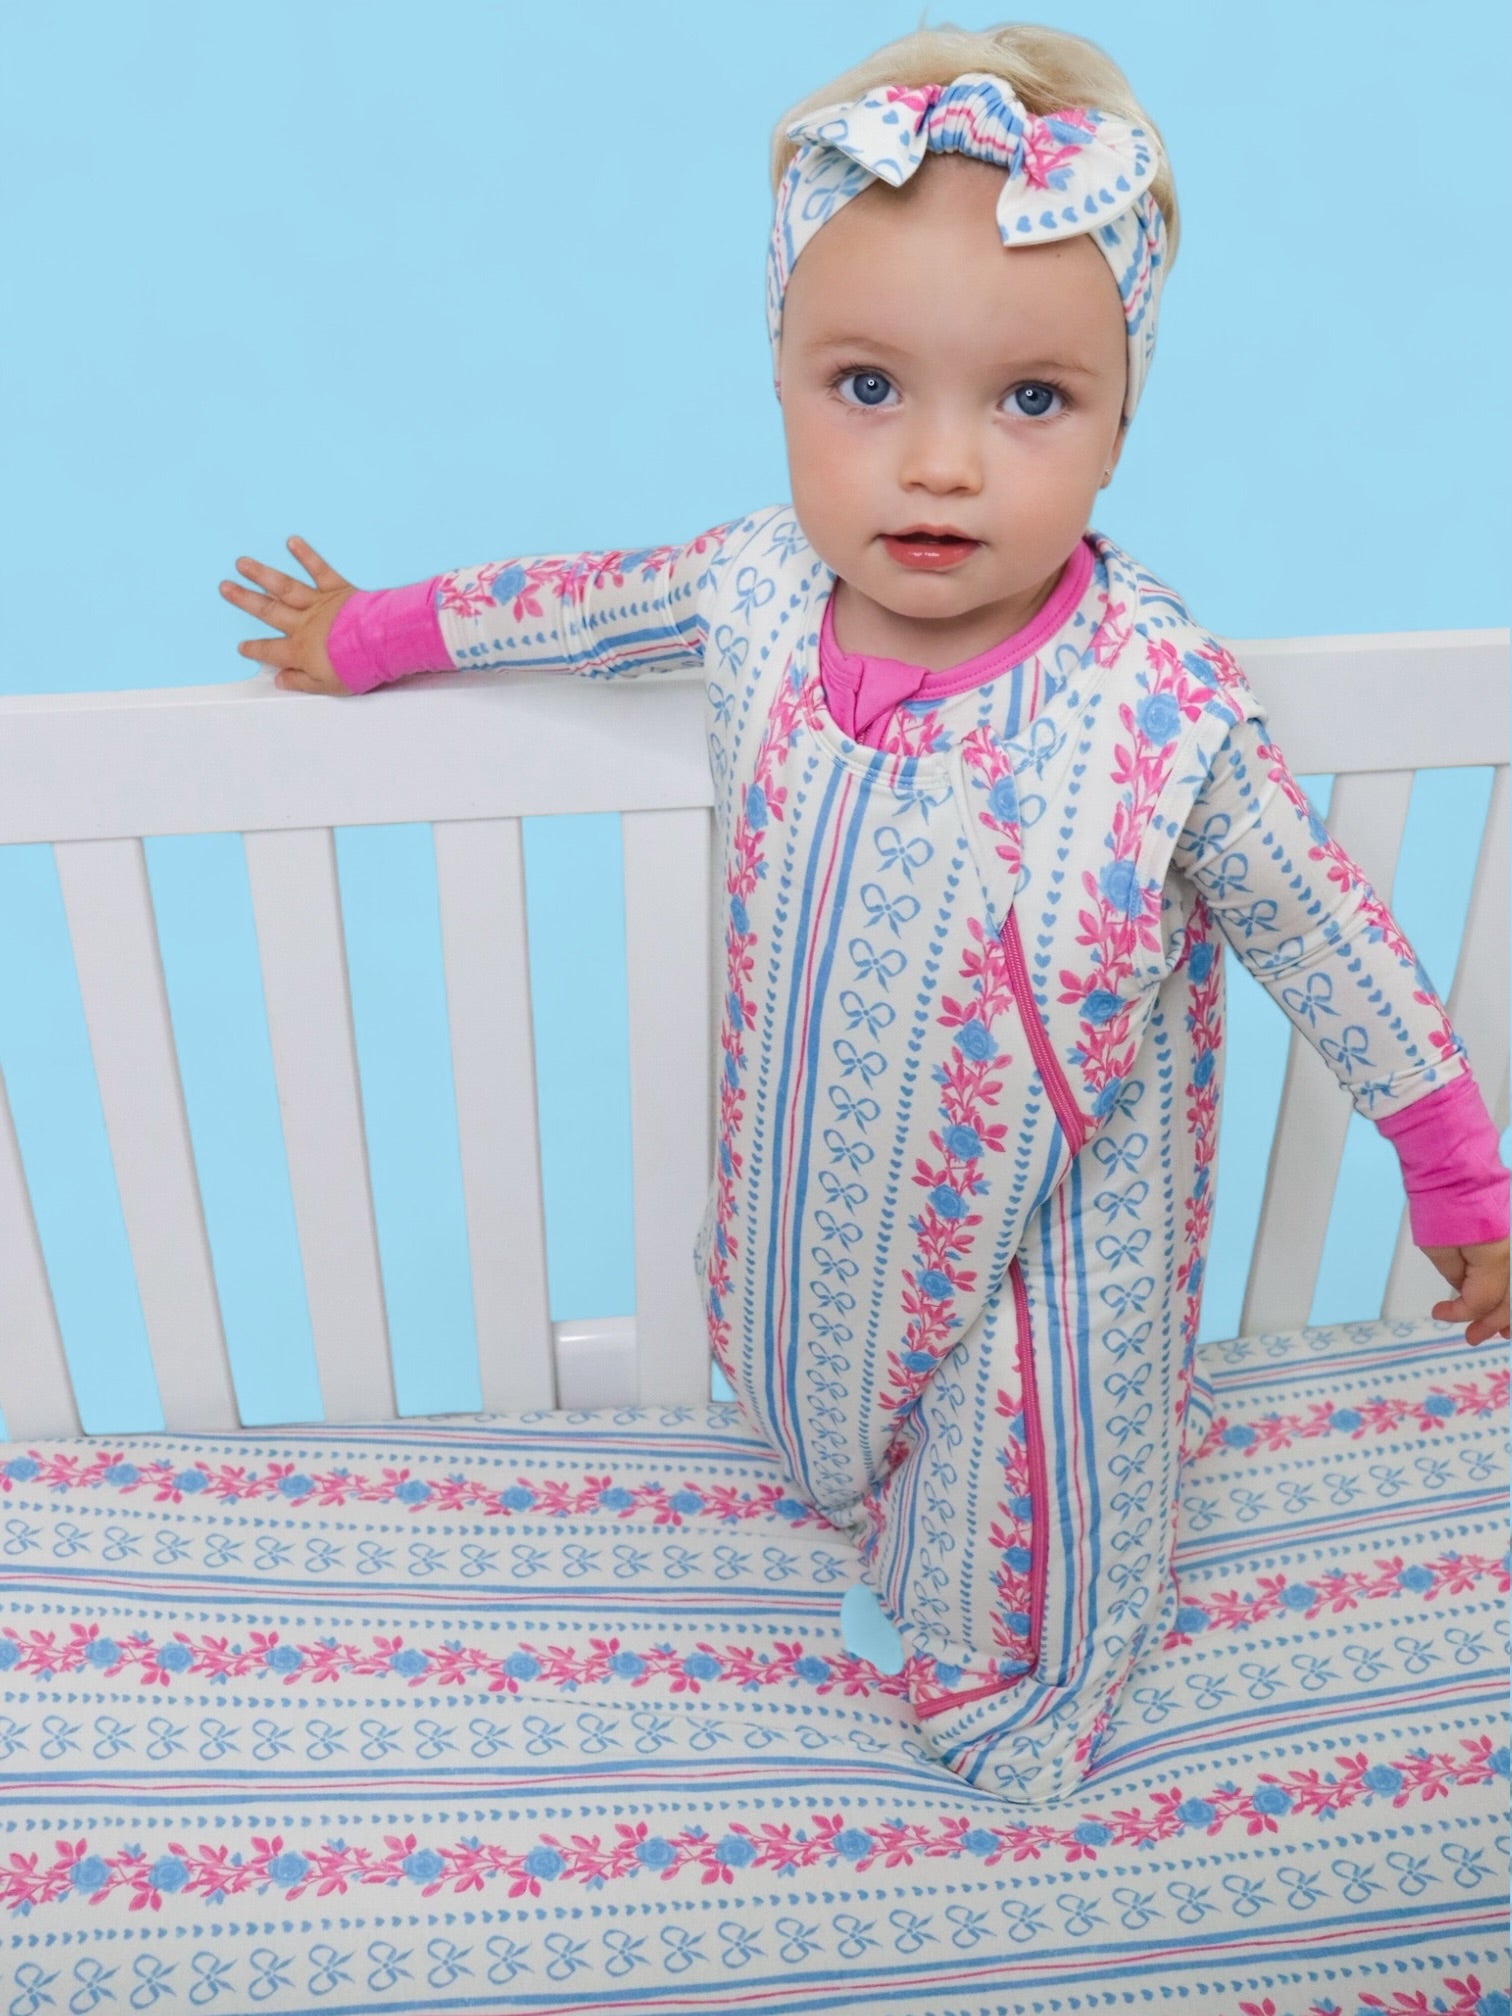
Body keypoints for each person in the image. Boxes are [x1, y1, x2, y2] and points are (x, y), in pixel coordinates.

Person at [215, 22, 1509, 1802]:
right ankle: (863, 1492)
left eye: (1031, 400)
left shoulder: (1157, 707)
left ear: (1121, 429)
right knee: (808, 1375)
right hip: (826, 1172)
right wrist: (368, 634)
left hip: (1055, 1230)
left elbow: (1324, 933)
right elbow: (565, 603)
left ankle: (1017, 1682)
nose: (941, 465)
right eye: (869, 386)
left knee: (1042, 1470)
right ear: (778, 377)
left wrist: (1459, 1180)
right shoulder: (753, 589)